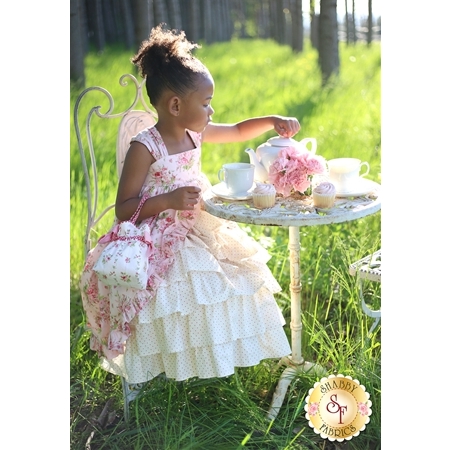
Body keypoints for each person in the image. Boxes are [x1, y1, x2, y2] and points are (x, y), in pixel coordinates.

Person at [80, 24, 300, 385]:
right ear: (176, 105)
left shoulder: (192, 131)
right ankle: (173, 363)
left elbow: (237, 131)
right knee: (179, 290)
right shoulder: (146, 146)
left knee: (238, 277)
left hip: (197, 224)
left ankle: (213, 357)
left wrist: (271, 121)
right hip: (156, 230)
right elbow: (124, 208)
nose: (212, 112)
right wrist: (167, 200)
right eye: (207, 103)